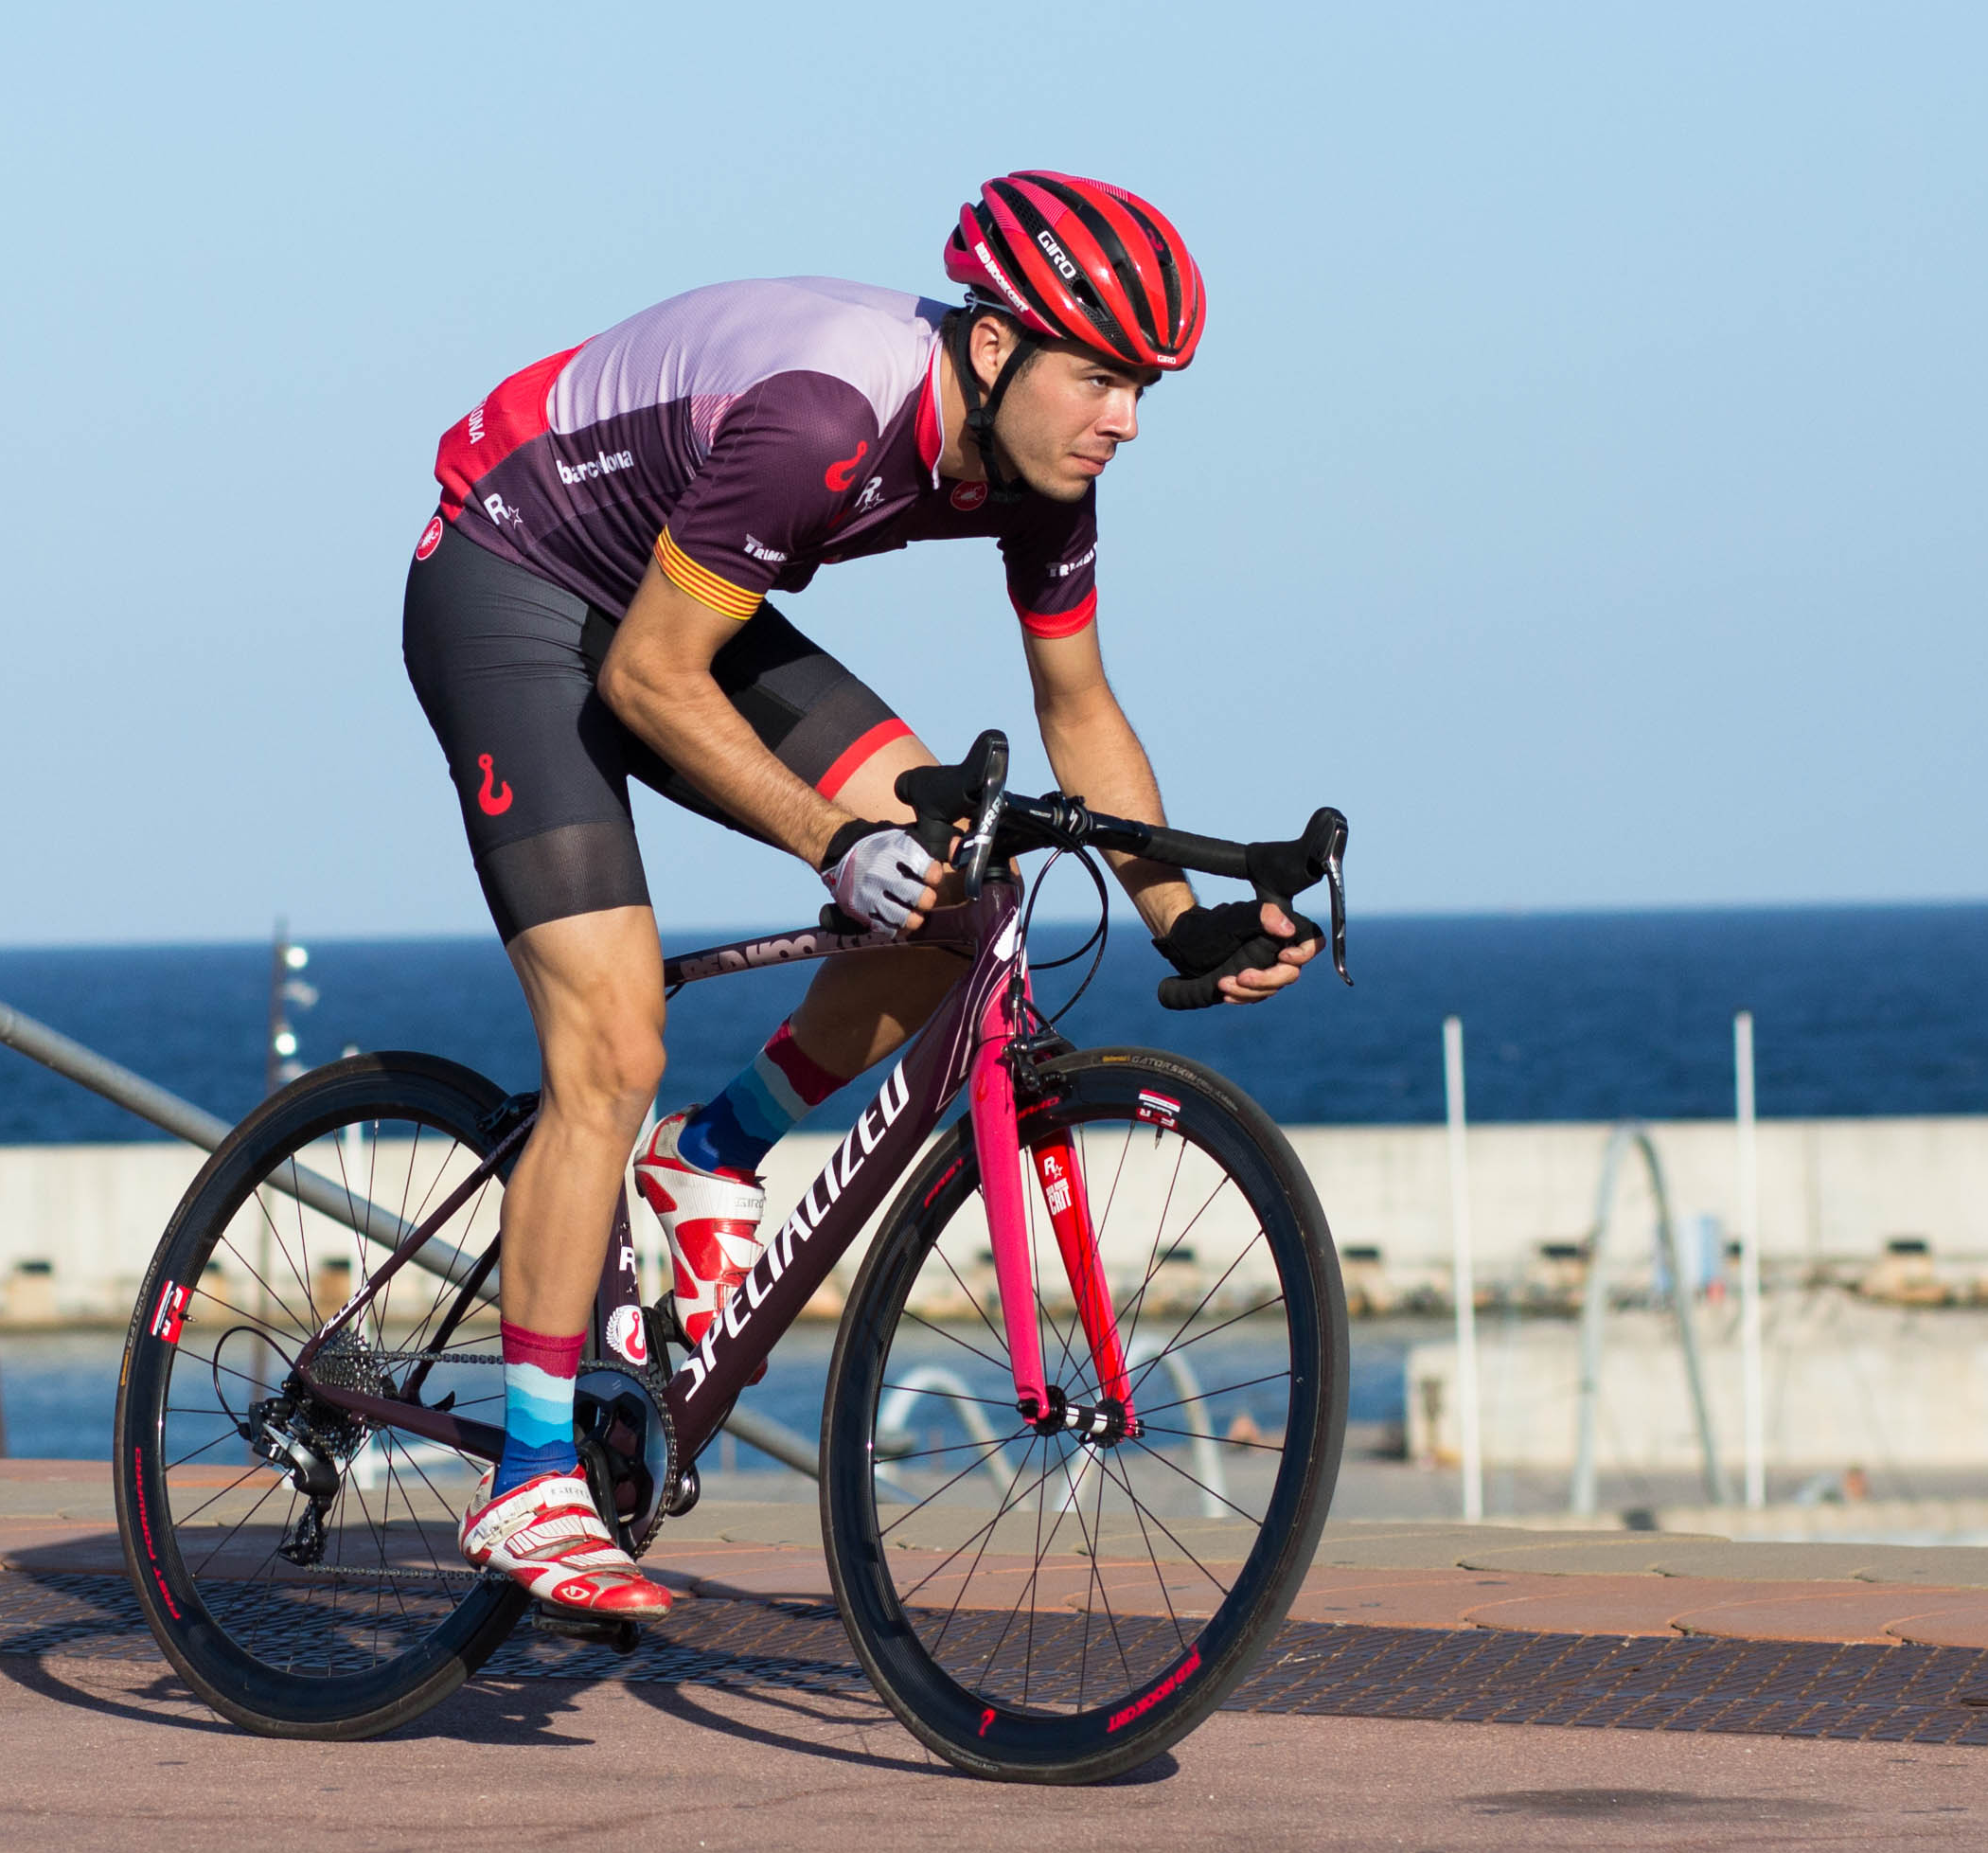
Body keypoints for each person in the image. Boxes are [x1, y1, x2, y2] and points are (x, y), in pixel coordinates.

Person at [403, 172, 1319, 1621]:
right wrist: (835, 842)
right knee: (612, 1042)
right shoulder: (828, 418)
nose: (1126, 420)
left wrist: (1178, 916)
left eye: (1144, 390)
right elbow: (648, 678)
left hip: (674, 595)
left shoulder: (1046, 476)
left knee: (967, 893)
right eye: (1103, 379)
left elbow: (1076, 709)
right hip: (512, 579)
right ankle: (526, 1479)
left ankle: (714, 1149)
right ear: (1000, 347)